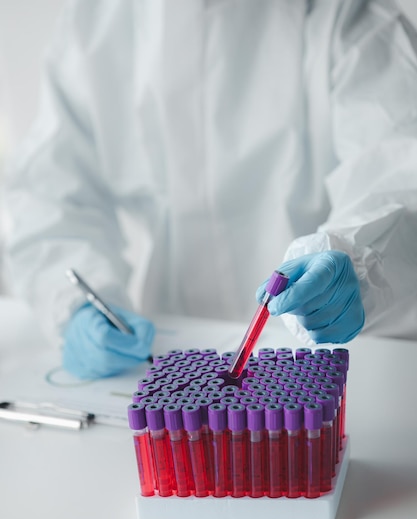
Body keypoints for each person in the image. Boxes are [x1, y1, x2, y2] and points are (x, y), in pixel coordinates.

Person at [3, 0, 417, 379]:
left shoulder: (347, 18)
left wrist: (357, 261)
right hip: (167, 348)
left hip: (335, 355)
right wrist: (76, 306)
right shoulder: (96, 23)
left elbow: (400, 174)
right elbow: (49, 195)